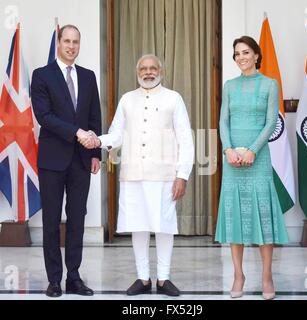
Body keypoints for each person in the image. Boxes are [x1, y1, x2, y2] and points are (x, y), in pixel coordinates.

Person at [81, 54, 194, 296]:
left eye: (153, 68)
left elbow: (186, 139)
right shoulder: (126, 100)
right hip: (133, 175)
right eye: (143, 68)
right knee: (138, 226)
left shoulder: (174, 98)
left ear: (161, 71)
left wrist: (182, 174)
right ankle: (143, 278)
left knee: (164, 227)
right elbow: (117, 134)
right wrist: (97, 140)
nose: (148, 72)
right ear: (137, 72)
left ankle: (163, 279)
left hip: (165, 176)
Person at [215, 36, 289, 300]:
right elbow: (223, 121)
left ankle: (267, 276)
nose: (241, 57)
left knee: (263, 217)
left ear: (256, 55)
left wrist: (252, 150)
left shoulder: (270, 84)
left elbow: (271, 122)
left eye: (246, 52)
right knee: (235, 216)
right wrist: (228, 149)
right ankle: (238, 275)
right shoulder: (230, 86)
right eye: (236, 54)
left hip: (258, 159)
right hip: (233, 159)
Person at [31, 25, 102, 297]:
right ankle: (54, 280)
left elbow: (94, 115)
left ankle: (74, 277)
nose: (71, 46)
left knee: (77, 220)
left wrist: (95, 153)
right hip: (52, 160)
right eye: (67, 41)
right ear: (59, 43)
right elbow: (44, 116)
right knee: (51, 221)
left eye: (76, 42)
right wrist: (77, 133)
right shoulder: (42, 75)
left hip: (82, 161)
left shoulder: (88, 76)